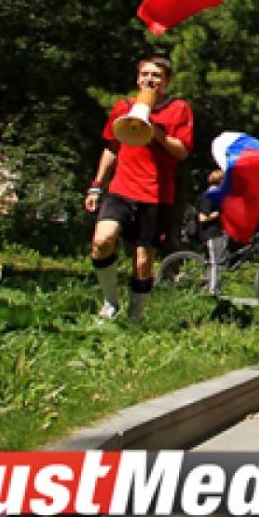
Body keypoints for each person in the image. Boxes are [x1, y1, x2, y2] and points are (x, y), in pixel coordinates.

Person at [84, 56, 193, 323]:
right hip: (121, 189)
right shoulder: (123, 107)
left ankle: (136, 316)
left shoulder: (179, 109)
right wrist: (97, 186)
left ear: (166, 81)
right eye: (145, 74)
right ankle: (110, 302)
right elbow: (112, 148)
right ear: (137, 78)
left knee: (143, 261)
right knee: (102, 242)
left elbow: (182, 151)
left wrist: (154, 131)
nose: (149, 80)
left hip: (155, 195)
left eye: (156, 76)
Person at [196, 170, 228, 295]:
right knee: (216, 262)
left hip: (216, 232)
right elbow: (202, 218)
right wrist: (216, 214)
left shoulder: (215, 195)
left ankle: (211, 287)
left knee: (215, 261)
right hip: (212, 232)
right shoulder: (209, 196)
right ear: (220, 181)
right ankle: (213, 291)